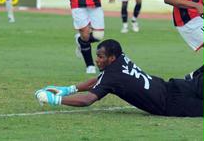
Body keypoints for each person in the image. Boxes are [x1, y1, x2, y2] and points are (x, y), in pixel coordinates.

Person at [35, 39, 204, 117]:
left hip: (173, 104)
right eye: (97, 56)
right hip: (174, 87)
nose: (97, 60)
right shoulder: (121, 60)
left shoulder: (112, 76)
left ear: (112, 58)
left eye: (101, 57)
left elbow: (87, 100)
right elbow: (98, 80)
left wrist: (55, 99)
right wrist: (69, 89)